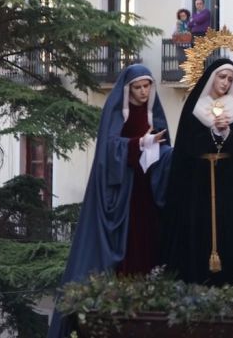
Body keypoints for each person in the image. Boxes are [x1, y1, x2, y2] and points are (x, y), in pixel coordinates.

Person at [48, 64, 173, 338]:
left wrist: (163, 152)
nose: (142, 92)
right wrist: (139, 143)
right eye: (137, 87)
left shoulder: (156, 115)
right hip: (124, 196)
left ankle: (148, 305)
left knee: (148, 244)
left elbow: (164, 150)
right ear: (128, 89)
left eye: (146, 86)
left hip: (148, 192)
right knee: (127, 247)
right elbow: (108, 150)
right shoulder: (117, 113)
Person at [161, 58, 233, 287]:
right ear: (211, 78)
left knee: (230, 234)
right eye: (222, 77)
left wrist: (226, 132)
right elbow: (185, 148)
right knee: (199, 233)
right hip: (198, 184)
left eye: (230, 79)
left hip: (230, 186)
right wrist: (211, 134)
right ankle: (196, 286)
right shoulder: (195, 107)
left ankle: (232, 286)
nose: (226, 82)